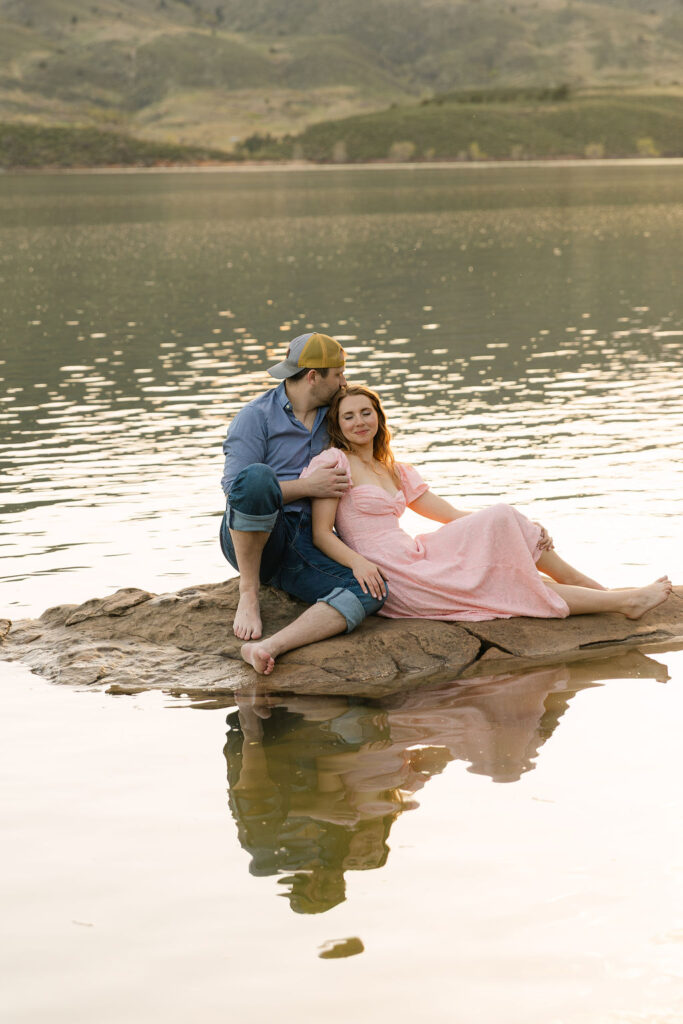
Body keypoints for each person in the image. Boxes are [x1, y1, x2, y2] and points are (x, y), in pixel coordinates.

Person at [294, 384, 672, 627]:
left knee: (504, 519)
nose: (360, 422)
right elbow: (321, 534)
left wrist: (525, 528)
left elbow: (453, 516)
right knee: (510, 579)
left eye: (366, 412)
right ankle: (620, 600)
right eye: (349, 416)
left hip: (416, 553)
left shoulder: (395, 469)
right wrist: (359, 562)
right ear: (337, 425)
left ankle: (609, 596)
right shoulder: (333, 463)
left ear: (378, 417)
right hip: (392, 570)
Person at [220, 333, 387, 664]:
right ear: (314, 376)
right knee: (256, 477)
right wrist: (307, 487)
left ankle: (269, 647)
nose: (344, 381)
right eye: (338, 374)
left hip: (307, 542)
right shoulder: (255, 416)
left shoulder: (336, 414)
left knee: (372, 589)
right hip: (256, 534)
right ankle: (249, 593)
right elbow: (235, 491)